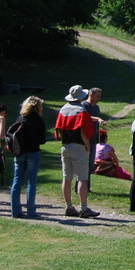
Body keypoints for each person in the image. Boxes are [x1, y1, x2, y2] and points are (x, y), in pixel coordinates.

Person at [54, 85, 100, 219]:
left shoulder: (63, 109)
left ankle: (68, 206)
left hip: (65, 145)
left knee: (66, 178)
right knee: (82, 178)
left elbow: (59, 129)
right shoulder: (81, 110)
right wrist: (88, 146)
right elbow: (83, 132)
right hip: (79, 147)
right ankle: (84, 208)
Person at [9, 95, 47, 219]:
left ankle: (15, 211)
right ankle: (31, 210)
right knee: (31, 182)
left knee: (17, 181)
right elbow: (42, 140)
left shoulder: (21, 118)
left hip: (20, 152)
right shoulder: (38, 120)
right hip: (33, 152)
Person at [82, 87, 105, 193]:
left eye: (99, 97)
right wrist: (98, 119)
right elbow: (85, 117)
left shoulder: (96, 107)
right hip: (84, 139)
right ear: (91, 95)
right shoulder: (83, 105)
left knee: (91, 165)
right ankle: (80, 187)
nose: (98, 99)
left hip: (93, 139)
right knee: (83, 164)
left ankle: (87, 187)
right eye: (97, 96)